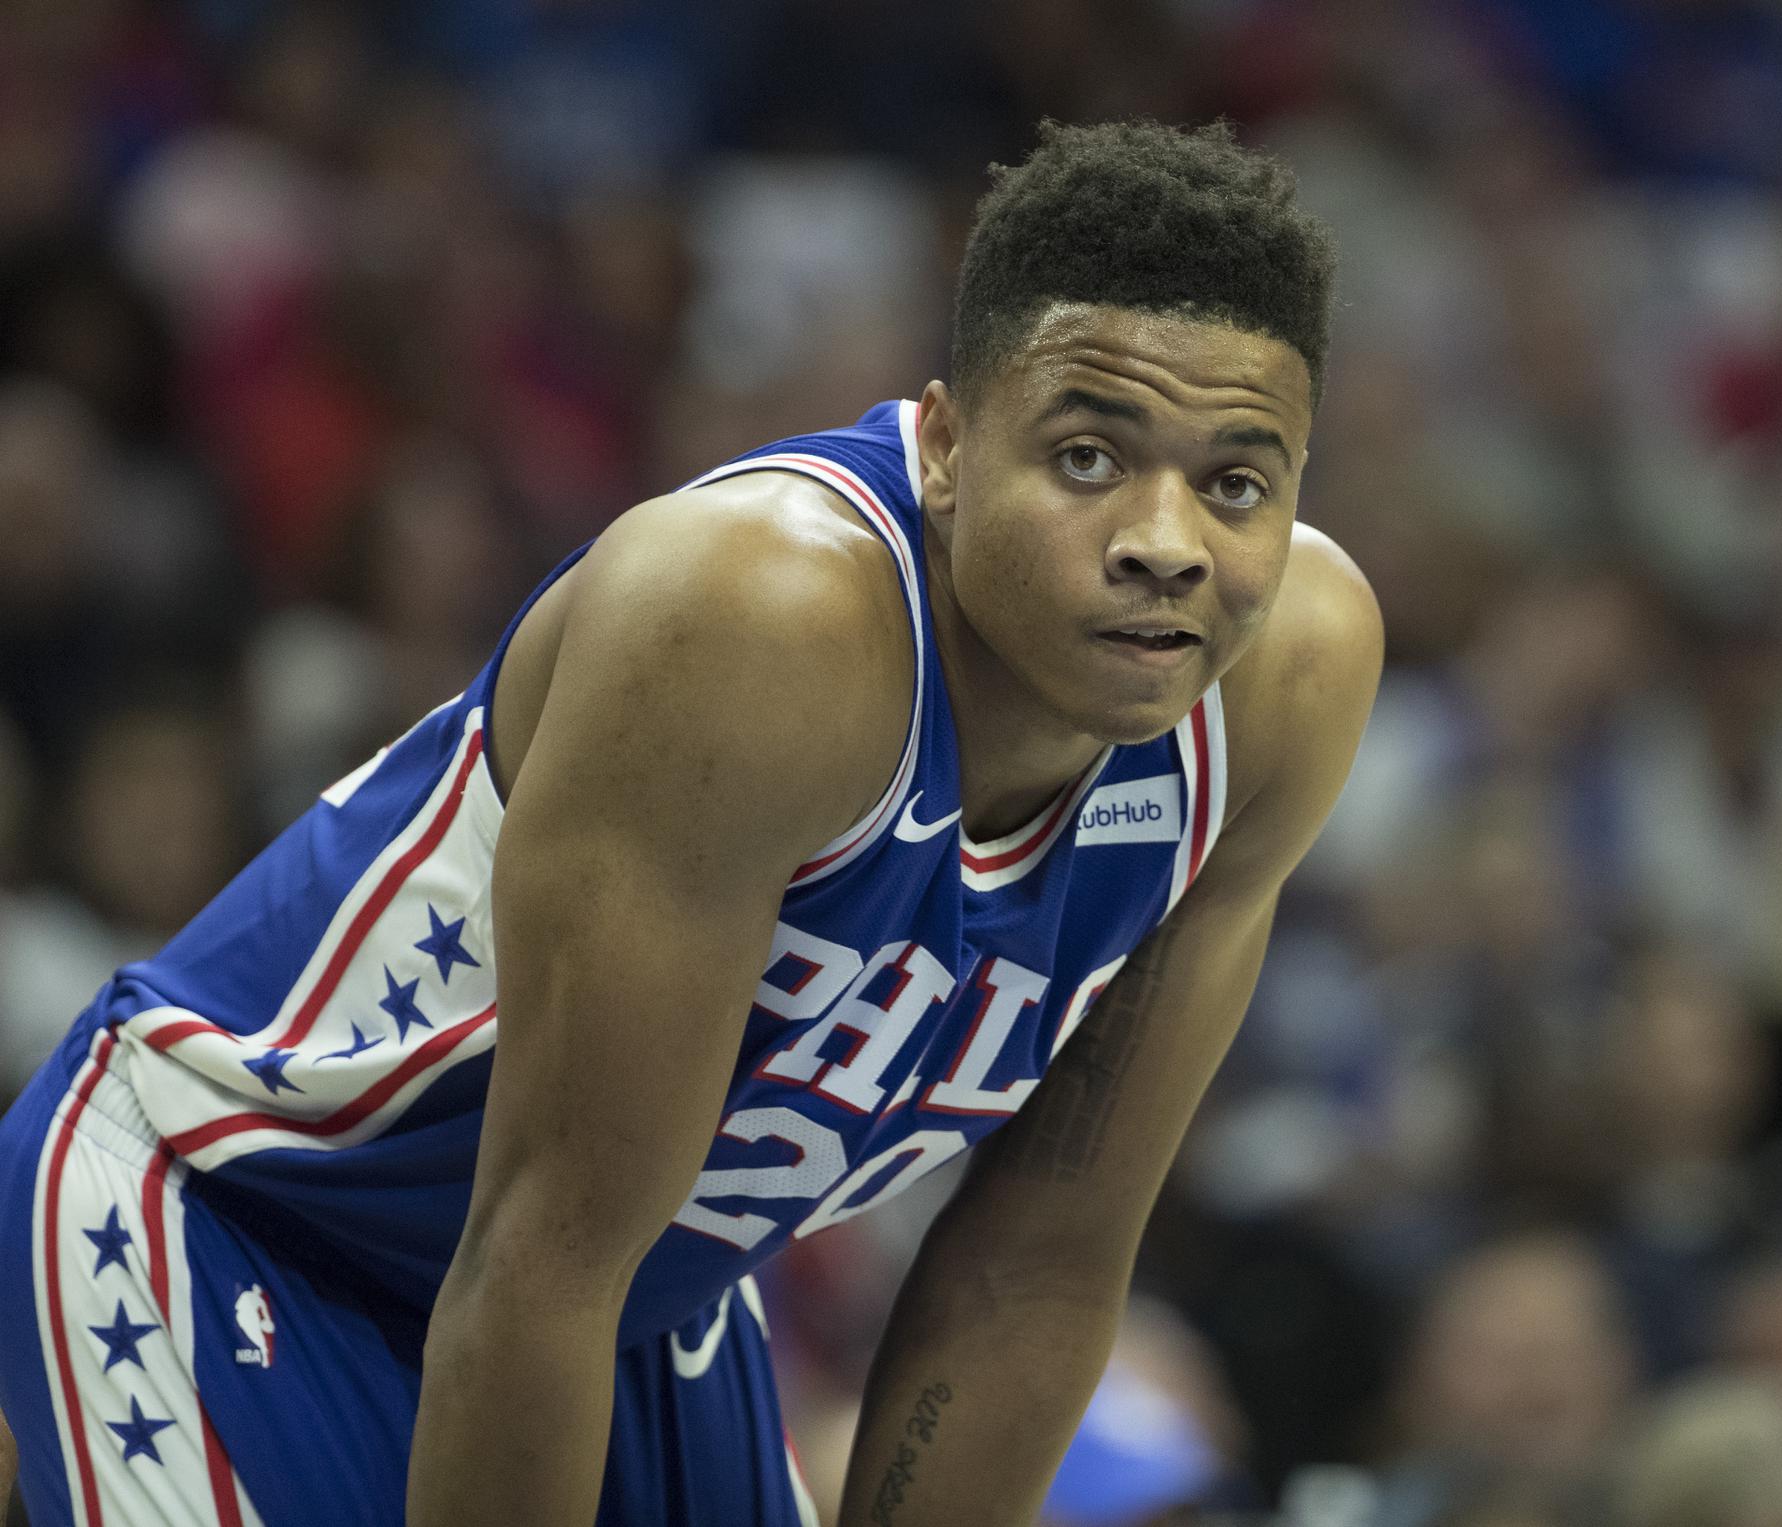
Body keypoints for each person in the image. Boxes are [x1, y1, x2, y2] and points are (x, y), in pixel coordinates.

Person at [0, 118, 1380, 1526]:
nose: (1167, 540)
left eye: (1236, 482)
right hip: (249, 1220)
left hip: (630, 1305)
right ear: (951, 443)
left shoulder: (1287, 684)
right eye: (1089, 457)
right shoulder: (764, 619)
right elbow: (536, 1253)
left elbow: (1040, 1266)